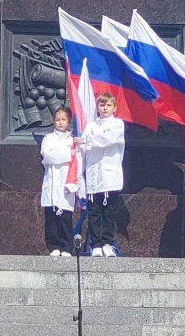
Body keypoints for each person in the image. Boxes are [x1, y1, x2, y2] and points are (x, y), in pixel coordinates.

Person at [79, 93, 125, 257]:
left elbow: (107, 139)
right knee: (94, 212)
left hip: (110, 176)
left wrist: (88, 140)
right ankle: (96, 244)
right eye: (102, 105)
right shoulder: (90, 126)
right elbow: (82, 150)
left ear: (114, 107)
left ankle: (107, 243)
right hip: (93, 174)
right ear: (97, 108)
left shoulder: (117, 124)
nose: (105, 108)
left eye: (108, 105)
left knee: (109, 213)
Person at [39, 107, 77, 257]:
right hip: (52, 183)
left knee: (66, 217)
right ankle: (53, 245)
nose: (60, 122)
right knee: (51, 218)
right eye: (58, 120)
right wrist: (68, 153)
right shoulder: (49, 139)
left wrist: (63, 153)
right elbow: (48, 155)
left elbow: (77, 159)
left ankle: (67, 246)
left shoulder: (73, 140)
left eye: (63, 119)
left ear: (69, 121)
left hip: (67, 182)